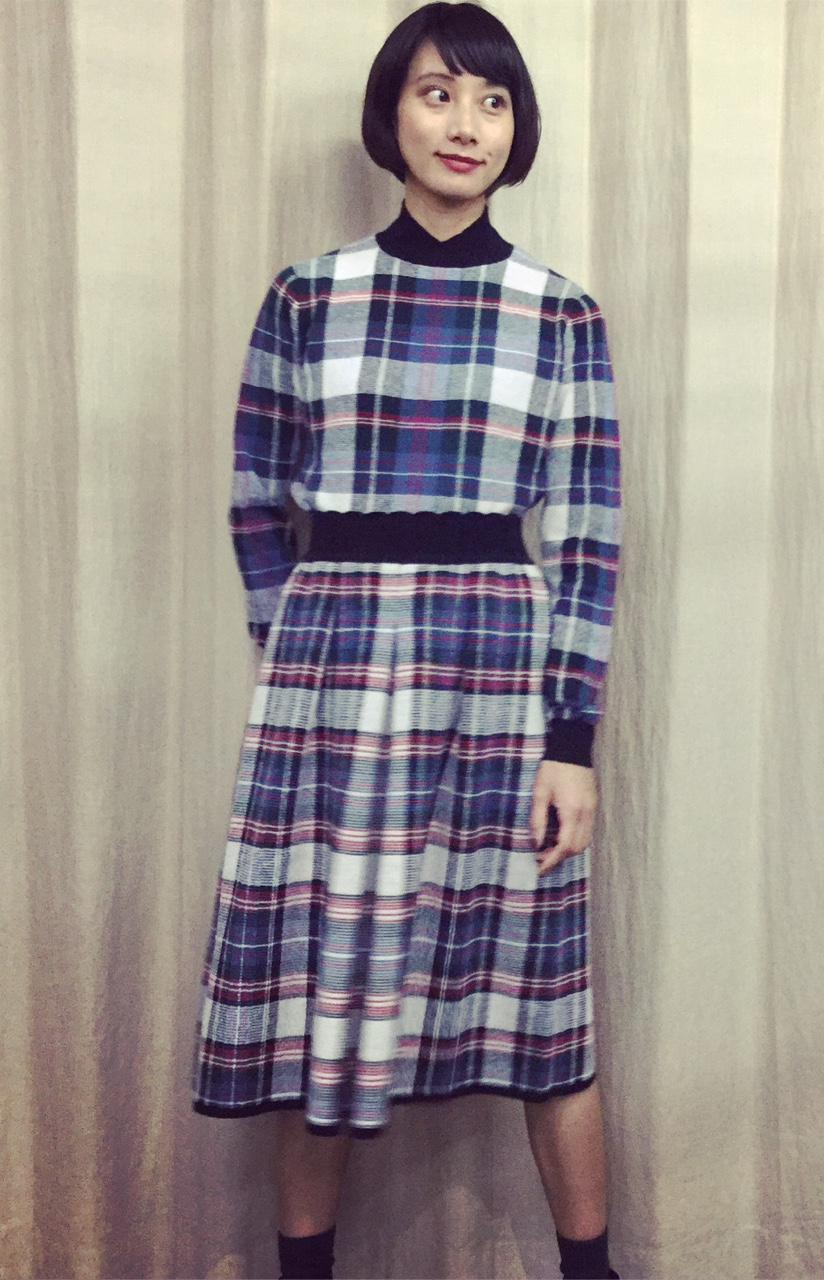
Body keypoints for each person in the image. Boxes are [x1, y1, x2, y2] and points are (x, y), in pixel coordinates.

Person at [191, 5, 621, 1277]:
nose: (465, 124)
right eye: (438, 93)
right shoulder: (307, 294)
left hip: (500, 676)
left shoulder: (559, 313)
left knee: (540, 997)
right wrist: (301, 652)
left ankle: (591, 1269)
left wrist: (571, 740)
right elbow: (254, 495)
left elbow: (588, 536)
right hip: (336, 680)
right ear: (392, 114)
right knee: (324, 991)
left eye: (492, 101)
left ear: (516, 131)